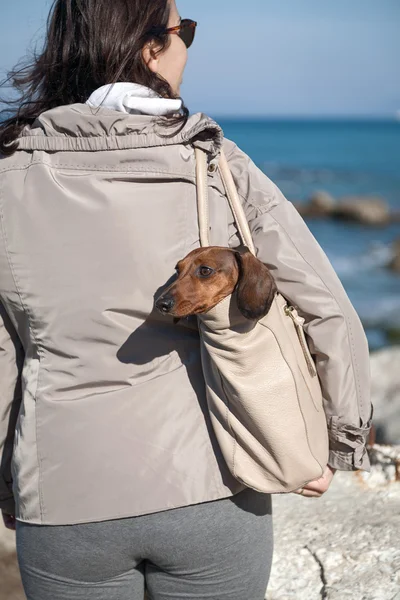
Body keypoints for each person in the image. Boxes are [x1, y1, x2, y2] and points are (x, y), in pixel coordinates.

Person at [0, 1, 373, 598]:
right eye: (185, 30)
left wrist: (6, 481)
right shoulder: (216, 164)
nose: (188, 47)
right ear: (149, 46)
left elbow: (5, 351)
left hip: (63, 497)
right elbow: (327, 306)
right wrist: (342, 443)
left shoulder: (10, 176)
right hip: (212, 492)